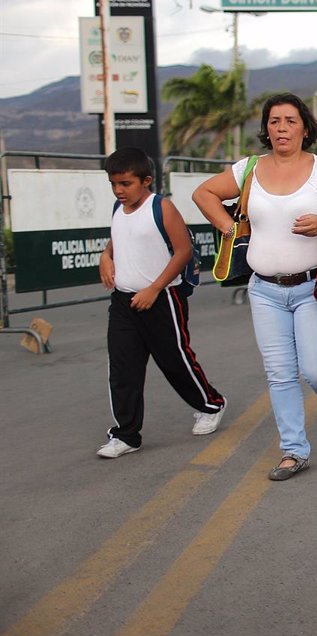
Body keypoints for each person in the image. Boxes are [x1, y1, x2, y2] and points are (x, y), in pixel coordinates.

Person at [193, 93, 317, 481]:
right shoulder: (248, 168)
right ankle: (294, 450)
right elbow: (203, 193)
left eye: (289, 120)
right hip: (264, 290)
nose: (281, 128)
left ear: (305, 127)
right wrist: (229, 228)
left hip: (312, 287)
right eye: (274, 121)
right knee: (280, 373)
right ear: (266, 129)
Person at [95, 148, 226, 458]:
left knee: (174, 360)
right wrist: (105, 256)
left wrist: (154, 289)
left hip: (163, 298)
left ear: (146, 180)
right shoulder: (119, 207)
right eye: (114, 184)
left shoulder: (161, 208)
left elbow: (182, 252)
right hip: (124, 302)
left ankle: (211, 405)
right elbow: (117, 241)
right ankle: (126, 434)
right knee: (123, 368)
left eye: (125, 184)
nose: (119, 190)